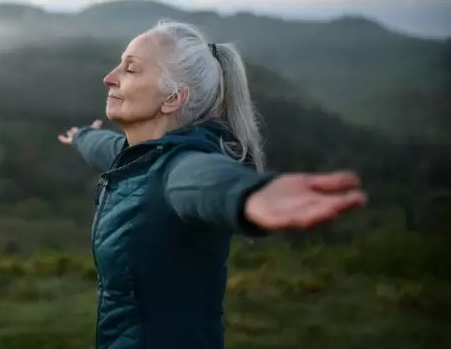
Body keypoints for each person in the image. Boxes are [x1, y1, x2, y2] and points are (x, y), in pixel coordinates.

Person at [57, 19, 367, 349]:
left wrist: (248, 194)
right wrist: (82, 137)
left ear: (173, 98)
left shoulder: (177, 167)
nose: (109, 77)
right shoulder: (137, 154)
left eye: (130, 70)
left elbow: (203, 181)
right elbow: (106, 148)